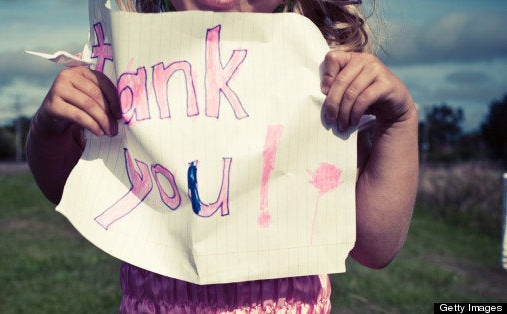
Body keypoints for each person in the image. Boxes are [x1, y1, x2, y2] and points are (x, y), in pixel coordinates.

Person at [26, 0, 418, 312]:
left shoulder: (328, 75)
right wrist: (50, 127)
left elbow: (375, 247)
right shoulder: (126, 65)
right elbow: (67, 189)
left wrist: (398, 121)